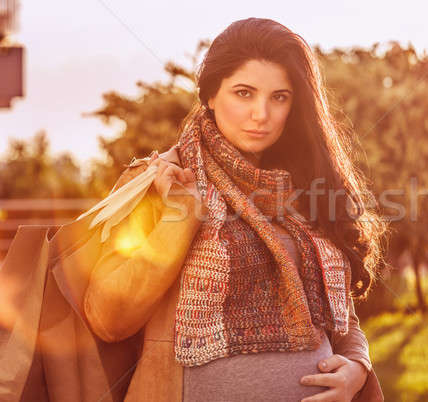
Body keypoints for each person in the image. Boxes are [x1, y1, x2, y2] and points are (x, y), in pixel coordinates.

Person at [83, 17, 387, 402]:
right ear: (211, 94)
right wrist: (182, 218)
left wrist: (356, 368)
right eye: (244, 93)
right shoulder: (160, 181)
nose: (261, 113)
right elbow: (108, 318)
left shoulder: (308, 186)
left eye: (279, 97)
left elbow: (340, 318)